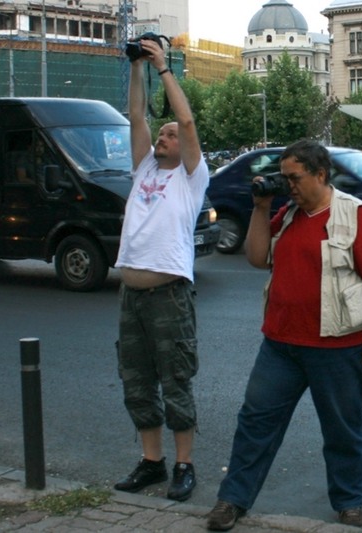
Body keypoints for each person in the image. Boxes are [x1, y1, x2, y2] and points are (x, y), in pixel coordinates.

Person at [206, 139, 362, 531]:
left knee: (342, 430)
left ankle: (349, 503)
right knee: (255, 423)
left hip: (338, 348)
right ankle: (232, 500)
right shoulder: (288, 214)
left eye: (294, 178)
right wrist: (261, 208)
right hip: (280, 345)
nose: (287, 185)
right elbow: (257, 258)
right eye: (283, 177)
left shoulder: (354, 216)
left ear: (320, 174)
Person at [112, 38, 209, 503]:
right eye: (162, 135)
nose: (163, 138)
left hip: (169, 296)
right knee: (136, 382)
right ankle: (152, 462)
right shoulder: (144, 168)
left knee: (175, 381)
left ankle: (184, 465)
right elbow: (136, 117)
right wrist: (137, 66)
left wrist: (164, 69)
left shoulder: (190, 177)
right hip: (131, 296)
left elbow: (186, 122)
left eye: (169, 136)